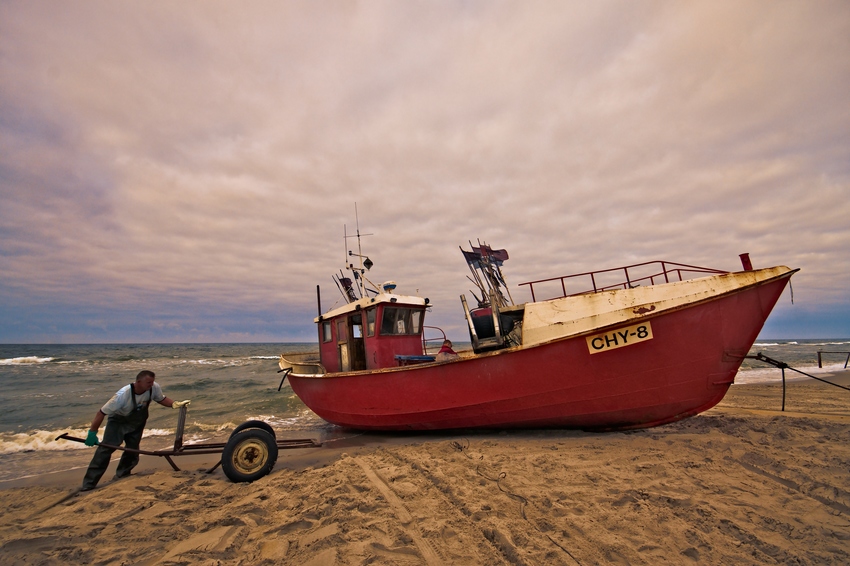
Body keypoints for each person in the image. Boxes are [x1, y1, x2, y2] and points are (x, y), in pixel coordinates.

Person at [81, 370, 190, 491]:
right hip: (118, 422)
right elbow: (101, 413)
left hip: (137, 422)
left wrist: (175, 404)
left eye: (152, 382)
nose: (151, 385)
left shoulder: (153, 388)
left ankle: (123, 474)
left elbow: (161, 399)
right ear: (138, 382)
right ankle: (89, 484)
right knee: (106, 450)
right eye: (148, 382)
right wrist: (92, 433)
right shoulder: (122, 395)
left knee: (132, 450)